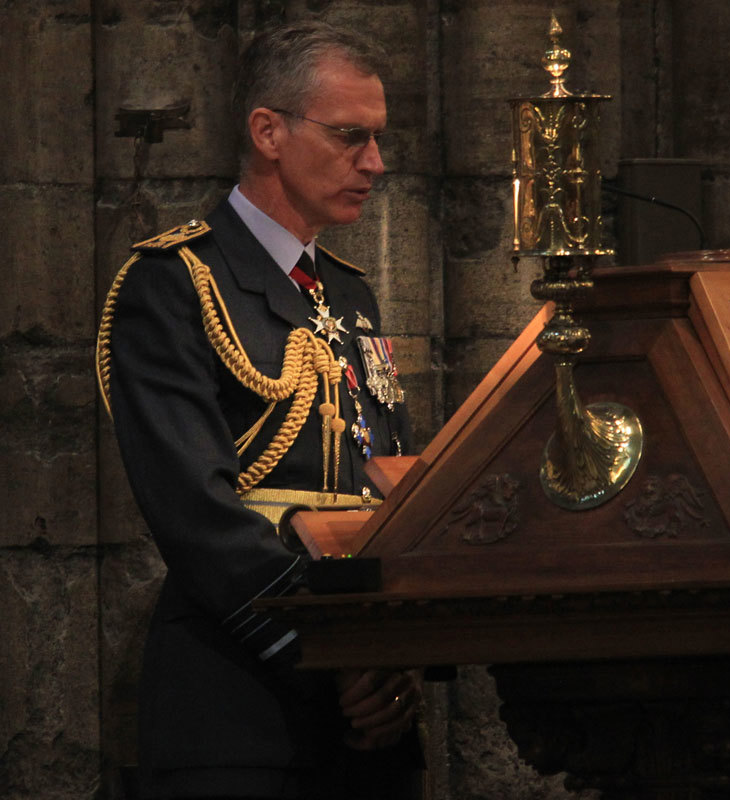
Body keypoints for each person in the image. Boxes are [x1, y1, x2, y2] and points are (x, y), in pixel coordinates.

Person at [96, 20, 422, 800]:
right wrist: (326, 654)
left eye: (377, 140)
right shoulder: (176, 283)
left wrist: (390, 652)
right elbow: (195, 512)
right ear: (269, 132)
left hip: (368, 704)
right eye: (350, 137)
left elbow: (383, 490)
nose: (374, 164)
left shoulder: (348, 291)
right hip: (241, 702)